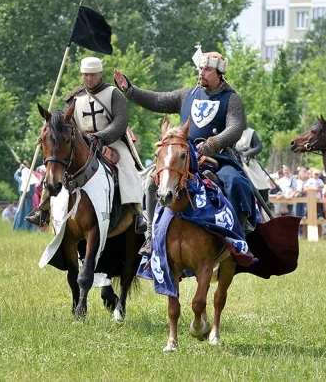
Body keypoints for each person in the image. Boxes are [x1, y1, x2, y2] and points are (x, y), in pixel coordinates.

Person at [115, 51, 256, 255]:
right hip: (185, 156)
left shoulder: (231, 99)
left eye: (207, 69)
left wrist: (213, 144)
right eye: (200, 68)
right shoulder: (186, 95)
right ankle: (152, 236)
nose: (202, 73)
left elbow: (235, 128)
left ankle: (238, 237)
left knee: (237, 183)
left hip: (219, 157)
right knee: (153, 182)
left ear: (219, 72)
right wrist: (130, 90)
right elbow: (157, 100)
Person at [26, 57, 147, 235]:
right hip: (81, 142)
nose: (88, 79)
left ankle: (136, 212)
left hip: (111, 141)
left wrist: (102, 137)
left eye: (92, 75)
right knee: (55, 167)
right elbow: (65, 122)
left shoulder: (113, 93)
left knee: (126, 165)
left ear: (100, 74)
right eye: (85, 75)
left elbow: (121, 122)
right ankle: (43, 209)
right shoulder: (75, 96)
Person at [234, 127, 270, 205]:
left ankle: (264, 202)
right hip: (235, 159)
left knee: (260, 180)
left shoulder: (250, 132)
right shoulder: (231, 131)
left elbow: (259, 146)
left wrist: (249, 153)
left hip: (249, 161)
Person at [14, 161, 37, 231]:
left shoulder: (26, 181)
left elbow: (16, 175)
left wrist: (19, 169)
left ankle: (24, 228)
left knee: (26, 213)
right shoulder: (25, 181)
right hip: (25, 199)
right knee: (22, 213)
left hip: (26, 199)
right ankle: (24, 228)